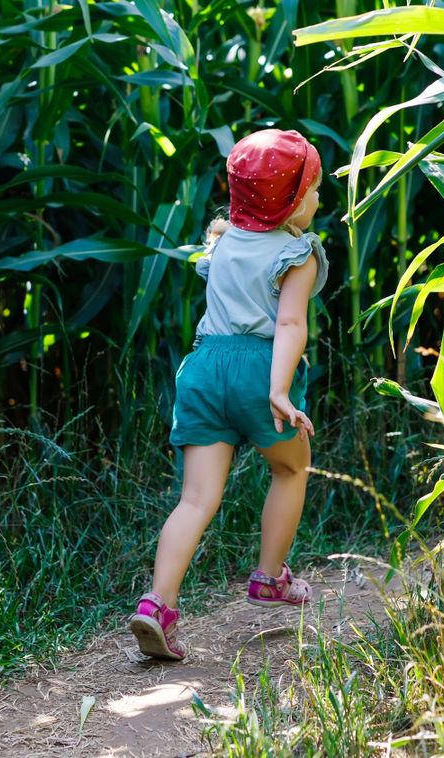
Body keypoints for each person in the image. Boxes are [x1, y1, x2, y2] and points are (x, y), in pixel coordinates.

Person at [129, 129, 327, 661]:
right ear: (288, 202)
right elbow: (289, 323)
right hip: (258, 369)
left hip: (204, 366)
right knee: (290, 469)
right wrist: (279, 390)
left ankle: (157, 605)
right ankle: (269, 577)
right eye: (311, 191)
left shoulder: (221, 240)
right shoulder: (298, 252)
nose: (318, 201)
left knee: (196, 499)